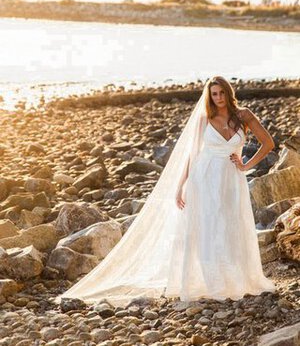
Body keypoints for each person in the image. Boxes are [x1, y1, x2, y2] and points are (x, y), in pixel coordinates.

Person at [55, 76, 276, 307]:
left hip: (232, 177)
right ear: (210, 97)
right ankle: (212, 281)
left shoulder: (244, 116)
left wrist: (246, 165)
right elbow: (193, 155)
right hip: (204, 177)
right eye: (214, 94)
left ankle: (236, 278)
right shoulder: (204, 119)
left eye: (221, 93)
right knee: (209, 226)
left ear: (228, 93)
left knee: (232, 223)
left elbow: (268, 143)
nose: (218, 98)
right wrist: (181, 186)